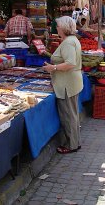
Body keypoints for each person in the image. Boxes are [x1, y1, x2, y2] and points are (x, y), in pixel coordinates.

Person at [42, 16, 83, 154]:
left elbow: (70, 63)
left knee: (68, 115)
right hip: (70, 82)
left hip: (67, 84)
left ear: (64, 28)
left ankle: (71, 145)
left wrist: (53, 68)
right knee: (72, 114)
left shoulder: (68, 42)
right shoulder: (72, 40)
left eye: (58, 26)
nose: (57, 28)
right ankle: (74, 142)